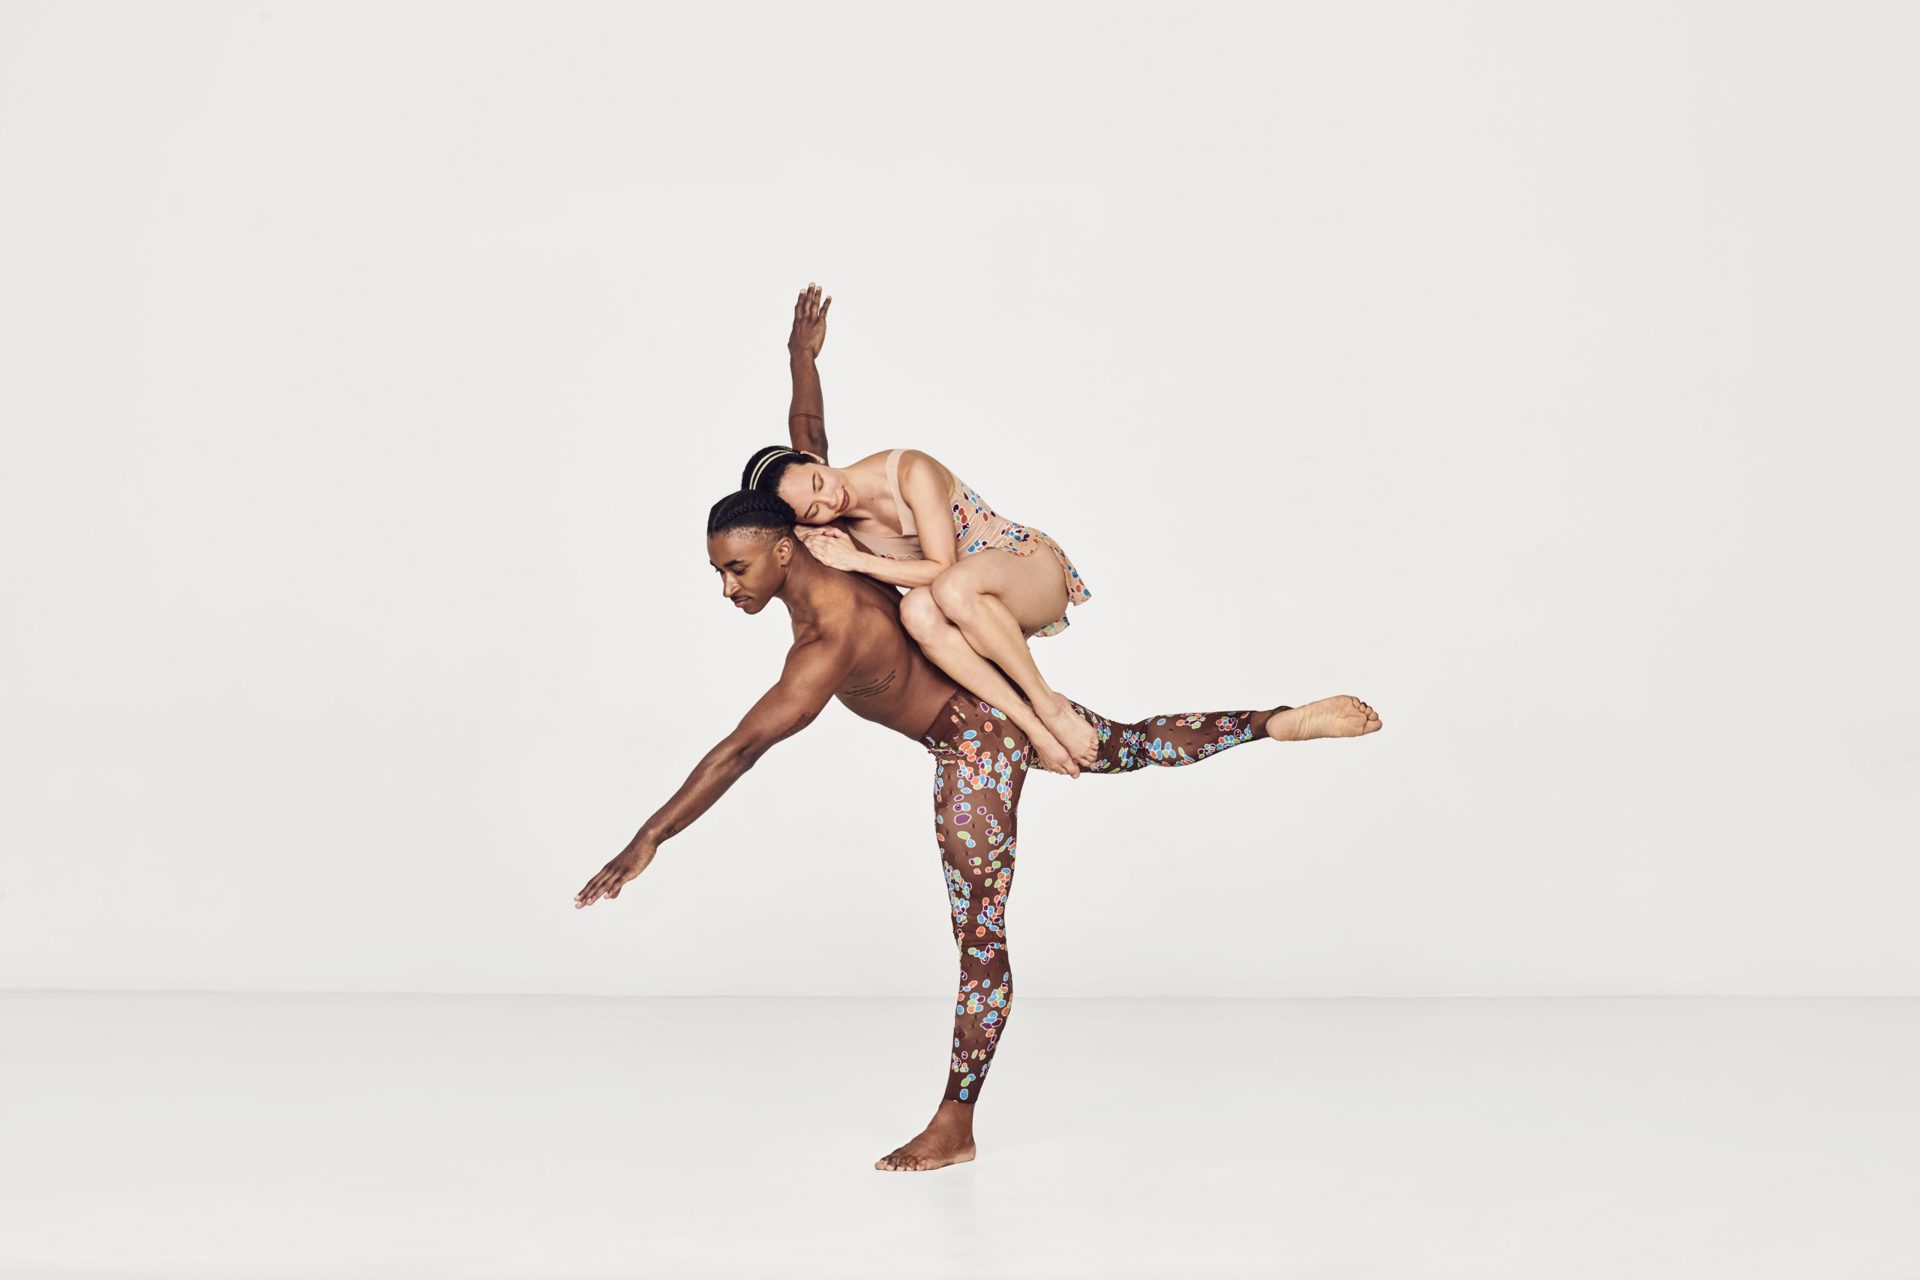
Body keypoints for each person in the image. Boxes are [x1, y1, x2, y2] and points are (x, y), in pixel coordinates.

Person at [573, 489, 1382, 1173]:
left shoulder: (827, 641)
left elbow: (742, 747)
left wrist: (649, 837)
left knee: (980, 936)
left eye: (735, 568)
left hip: (973, 751)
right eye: (718, 570)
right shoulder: (838, 540)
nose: (726, 588)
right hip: (997, 694)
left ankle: (955, 1122)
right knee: (1122, 743)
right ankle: (1273, 722)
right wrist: (802, 362)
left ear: (784, 552)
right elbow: (808, 446)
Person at [740, 282, 1098, 779]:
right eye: (814, 510)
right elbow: (806, 421)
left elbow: (944, 568)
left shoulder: (909, 470)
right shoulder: (819, 513)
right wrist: (803, 357)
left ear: (813, 460)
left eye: (819, 481)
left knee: (945, 586)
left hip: (1028, 572)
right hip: (975, 616)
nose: (829, 500)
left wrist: (858, 560)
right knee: (917, 610)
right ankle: (1032, 726)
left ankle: (1048, 703)